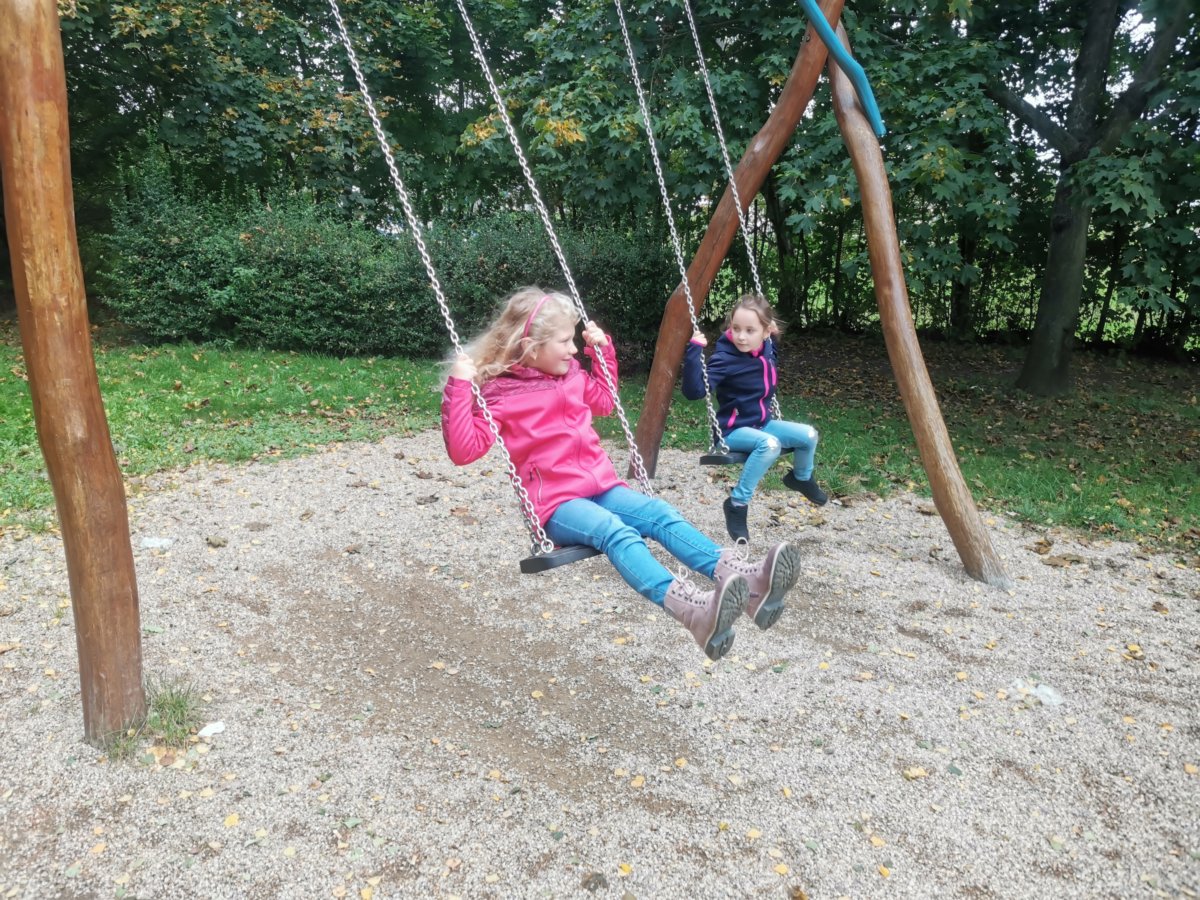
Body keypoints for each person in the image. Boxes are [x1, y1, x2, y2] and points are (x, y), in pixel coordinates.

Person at [441, 287, 803, 661]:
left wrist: (602, 353)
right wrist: (460, 385)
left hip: (599, 485)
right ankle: (694, 611)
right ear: (531, 348)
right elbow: (464, 450)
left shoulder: (571, 375)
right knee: (616, 532)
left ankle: (749, 583)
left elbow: (604, 401)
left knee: (659, 513)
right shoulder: (501, 394)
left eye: (573, 340)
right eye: (564, 341)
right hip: (556, 505)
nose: (572, 349)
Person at [682, 293, 829, 544]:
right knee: (770, 444)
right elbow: (694, 391)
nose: (741, 336)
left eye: (750, 330)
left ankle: (801, 478)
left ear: (765, 332)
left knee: (808, 435)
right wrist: (694, 351)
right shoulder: (725, 359)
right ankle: (737, 503)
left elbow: (771, 350)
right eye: (736, 328)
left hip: (763, 423)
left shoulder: (767, 350)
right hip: (732, 431)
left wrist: (773, 337)